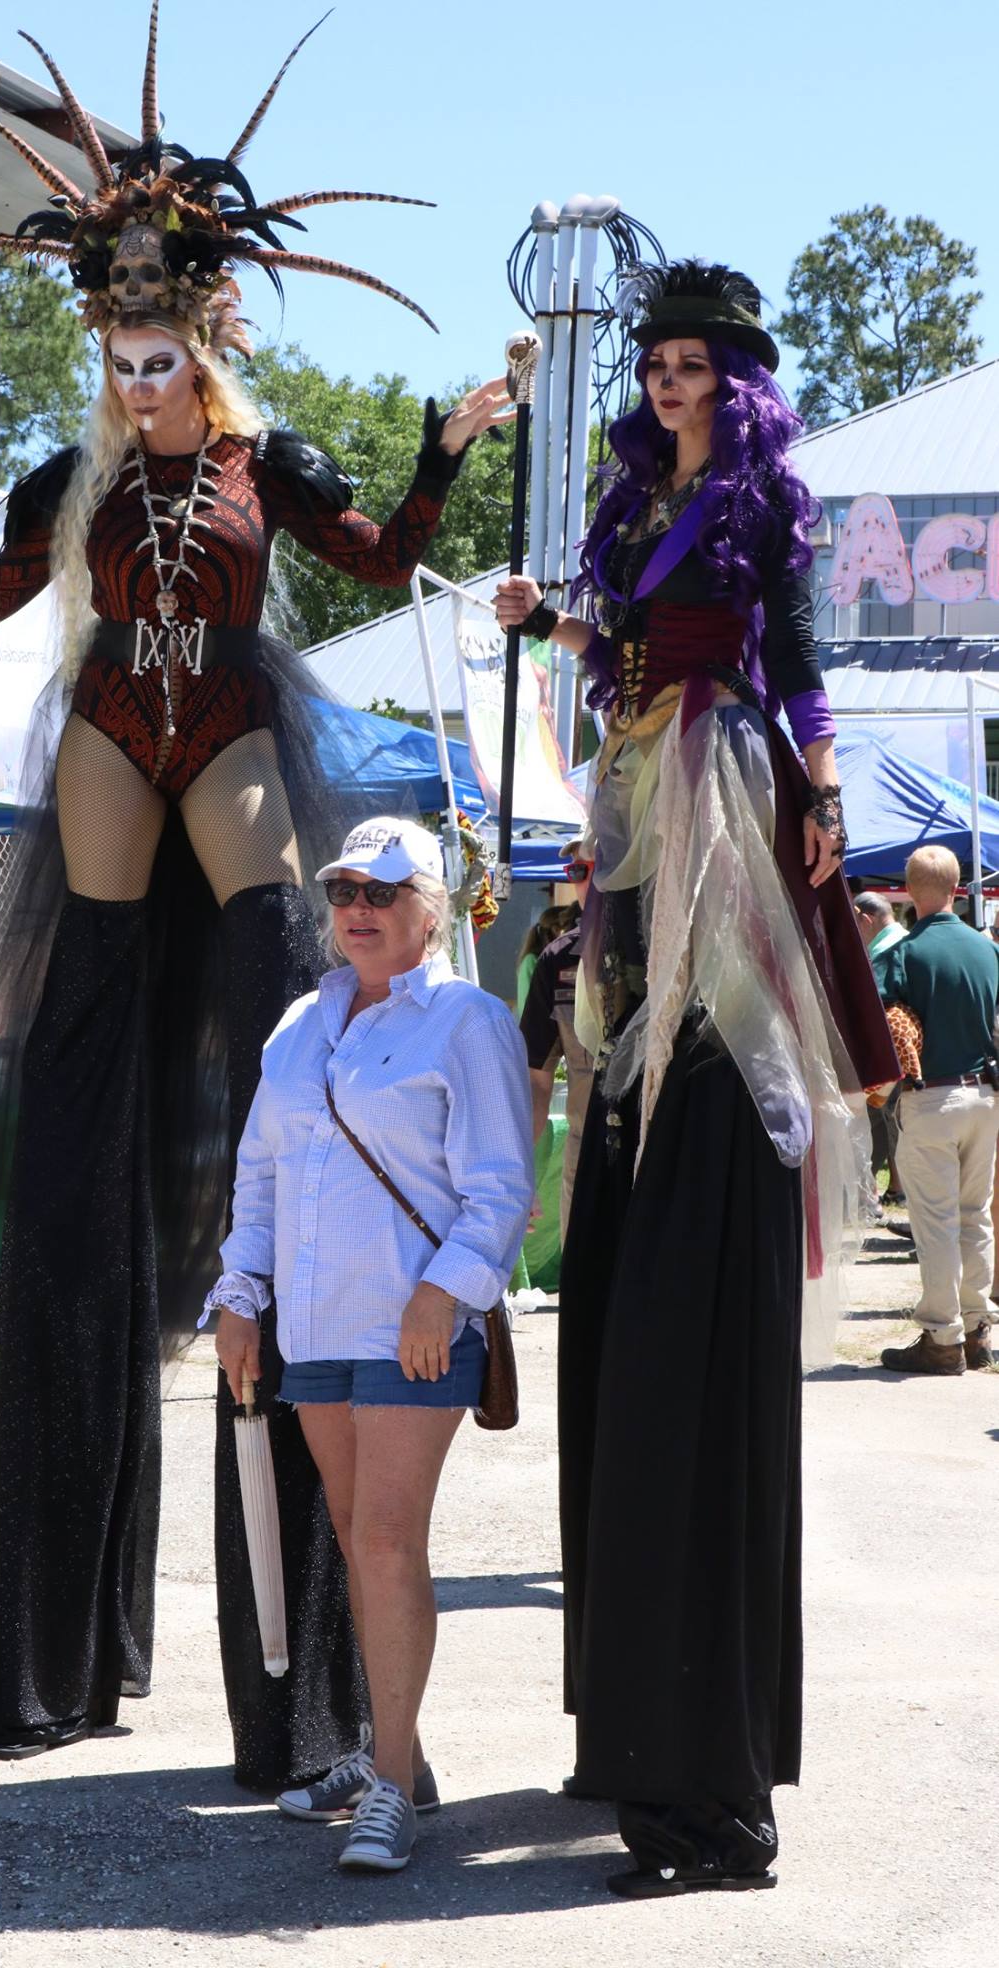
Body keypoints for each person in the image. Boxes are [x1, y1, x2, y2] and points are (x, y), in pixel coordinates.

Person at [0, 0, 508, 1786]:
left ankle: (302, 1676)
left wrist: (441, 454)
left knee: (281, 1037)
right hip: (108, 728)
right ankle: (48, 1638)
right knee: (79, 1105)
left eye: (160, 350)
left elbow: (383, 561)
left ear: (207, 340)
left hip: (232, 728)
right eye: (117, 350)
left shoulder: (265, 466)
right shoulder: (75, 476)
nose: (138, 376)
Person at [495, 260, 895, 1895]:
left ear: (737, 382)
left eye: (693, 363)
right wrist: (549, 622)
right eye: (655, 361)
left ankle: (705, 1788)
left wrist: (825, 794)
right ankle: (639, 1741)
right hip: (636, 785)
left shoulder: (752, 502)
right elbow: (623, 646)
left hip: (722, 779)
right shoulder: (636, 505)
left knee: (701, 1029)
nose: (667, 382)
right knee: (620, 1037)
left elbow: (792, 653)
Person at [206, 816, 533, 1872]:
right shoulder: (300, 1022)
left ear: (432, 911)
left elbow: (501, 1185)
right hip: (314, 1324)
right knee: (355, 1538)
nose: (358, 909)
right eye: (345, 889)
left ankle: (389, 1782)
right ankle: (401, 1756)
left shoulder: (468, 1020)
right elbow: (260, 1172)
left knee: (386, 1540)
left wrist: (447, 1292)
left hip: (413, 1326)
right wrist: (240, 1291)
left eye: (384, 892)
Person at [875, 846, 999, 1374]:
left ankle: (942, 1339)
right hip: (985, 1096)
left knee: (937, 1224)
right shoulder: (987, 950)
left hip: (931, 1096)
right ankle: (977, 1329)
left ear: (908, 890)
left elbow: (876, 1022)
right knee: (976, 1216)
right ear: (956, 888)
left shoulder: (903, 953)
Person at [519, 843, 595, 1240]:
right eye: (579, 871)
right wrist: (518, 1172)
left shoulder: (677, 948)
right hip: (587, 1159)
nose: (592, 882)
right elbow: (535, 1078)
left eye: (605, 865)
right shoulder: (558, 960)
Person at [855, 893, 909, 1201]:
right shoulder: (907, 942)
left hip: (891, 1056)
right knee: (889, 1120)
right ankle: (890, 1188)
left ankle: (874, 1191)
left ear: (866, 920)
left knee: (885, 1119)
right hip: (905, 1055)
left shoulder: (887, 952)